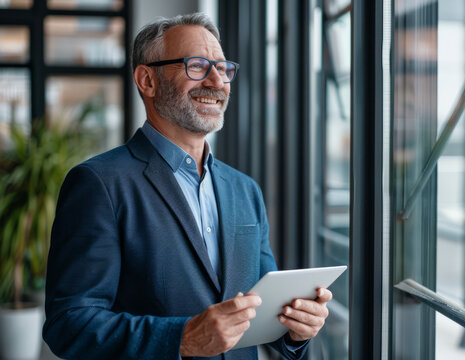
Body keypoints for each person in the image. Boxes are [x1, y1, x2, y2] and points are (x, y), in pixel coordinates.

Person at [43, 13, 332, 360]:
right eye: (197, 65)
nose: (216, 81)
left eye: (223, 68)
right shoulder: (98, 184)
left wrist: (295, 328)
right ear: (147, 80)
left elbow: (262, 311)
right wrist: (180, 338)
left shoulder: (245, 190)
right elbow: (69, 324)